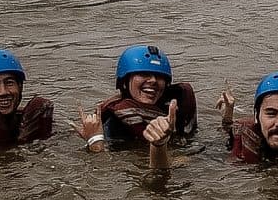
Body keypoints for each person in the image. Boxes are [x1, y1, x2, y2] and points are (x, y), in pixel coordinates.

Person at [79, 46, 197, 174]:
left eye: (159, 76)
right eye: (143, 74)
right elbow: (104, 172)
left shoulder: (174, 112)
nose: (153, 80)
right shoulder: (113, 122)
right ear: (125, 82)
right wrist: (95, 141)